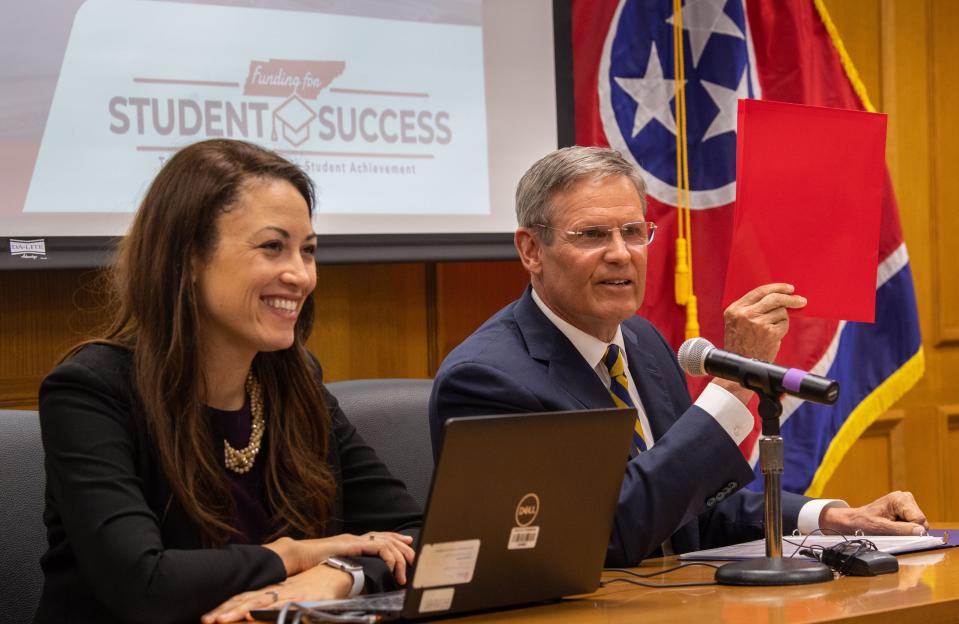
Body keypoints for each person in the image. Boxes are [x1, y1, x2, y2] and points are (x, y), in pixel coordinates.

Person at [429, 146, 928, 567]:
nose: (621, 254)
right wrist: (734, 381)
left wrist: (830, 518)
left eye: (632, 232)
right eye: (592, 235)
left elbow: (690, 510)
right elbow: (608, 533)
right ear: (531, 250)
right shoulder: (487, 378)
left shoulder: (641, 341)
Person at [36, 139, 421, 624]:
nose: (300, 275)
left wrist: (340, 571)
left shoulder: (297, 382)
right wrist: (293, 555)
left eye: (308, 250)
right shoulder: (91, 392)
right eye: (272, 247)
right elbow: (143, 584)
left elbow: (423, 536)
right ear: (188, 258)